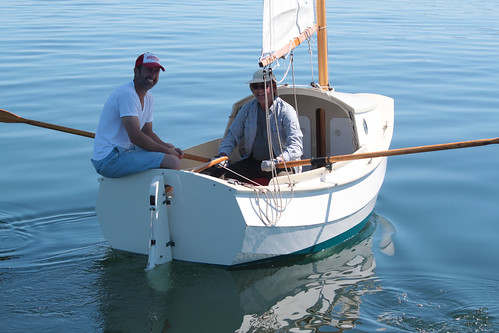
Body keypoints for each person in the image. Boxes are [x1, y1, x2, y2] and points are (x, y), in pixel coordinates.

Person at [91, 52, 183, 178]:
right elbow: (135, 136)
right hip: (109, 159)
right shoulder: (127, 94)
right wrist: (167, 152)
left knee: (170, 151)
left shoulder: (149, 98)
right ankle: (165, 196)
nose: (153, 75)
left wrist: (168, 147)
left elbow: (147, 132)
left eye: (156, 71)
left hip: (126, 151)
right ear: (136, 71)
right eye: (149, 70)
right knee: (172, 162)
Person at [211, 68, 303, 183]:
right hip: (253, 162)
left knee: (281, 182)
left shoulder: (286, 111)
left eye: (264, 86)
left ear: (273, 87)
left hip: (281, 165)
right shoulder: (247, 109)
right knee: (218, 175)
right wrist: (223, 155)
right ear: (251, 89)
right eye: (255, 86)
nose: (260, 91)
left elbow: (296, 147)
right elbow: (232, 136)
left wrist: (278, 160)